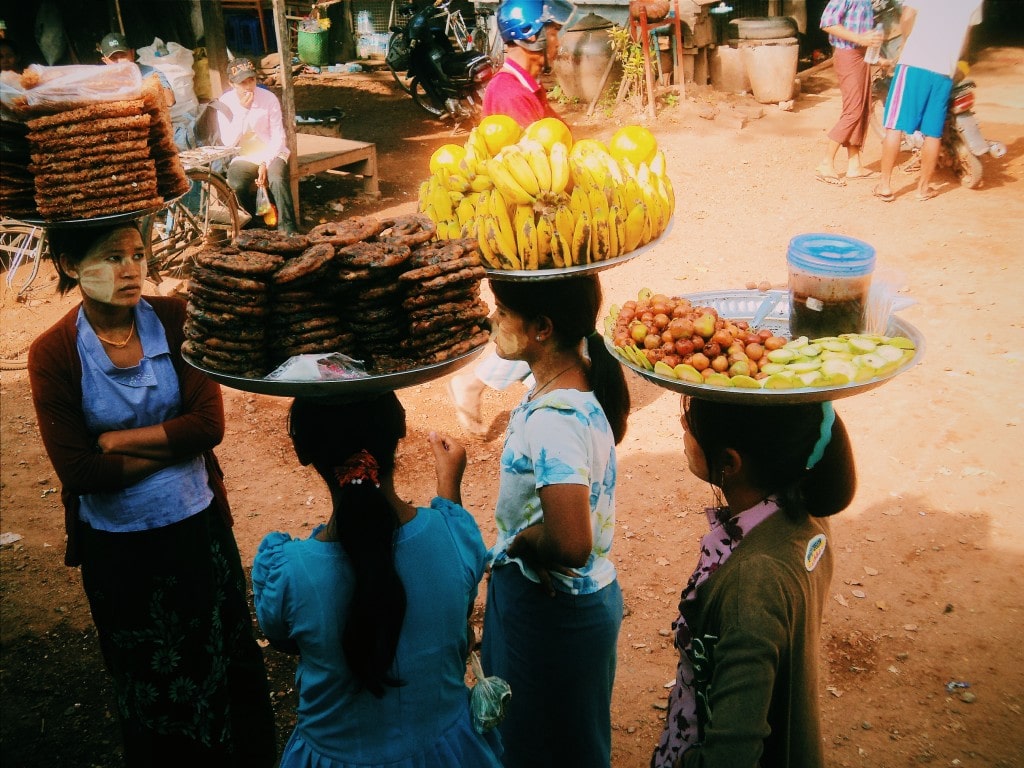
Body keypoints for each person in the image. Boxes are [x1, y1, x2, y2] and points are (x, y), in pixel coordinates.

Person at [27, 222, 276, 767]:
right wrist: (170, 444)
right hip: (119, 549)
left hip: (197, 529)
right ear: (71, 265)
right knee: (150, 685)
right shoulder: (52, 353)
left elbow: (208, 426)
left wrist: (117, 441)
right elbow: (79, 472)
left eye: (138, 254)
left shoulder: (175, 318)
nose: (131, 269)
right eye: (112, 258)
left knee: (218, 666)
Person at [251, 394, 503, 768]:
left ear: (302, 450)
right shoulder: (453, 533)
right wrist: (449, 490)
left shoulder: (286, 571)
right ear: (400, 426)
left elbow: (284, 638)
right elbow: (457, 602)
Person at [651, 397, 858, 768]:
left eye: (692, 424)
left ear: (730, 462)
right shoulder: (801, 515)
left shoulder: (754, 581)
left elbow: (730, 756)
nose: (683, 423)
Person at [480, 274, 630, 768]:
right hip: (565, 607)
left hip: (553, 612)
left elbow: (569, 545)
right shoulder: (573, 382)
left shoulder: (554, 417)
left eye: (502, 312)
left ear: (542, 327)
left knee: (542, 747)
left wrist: (523, 542)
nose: (491, 319)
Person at [448, 0, 575, 435]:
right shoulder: (508, 94)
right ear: (532, 36)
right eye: (554, 29)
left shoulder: (529, 87)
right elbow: (529, 166)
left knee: (562, 321)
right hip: (525, 228)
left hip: (542, 221)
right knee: (547, 320)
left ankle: (549, 391)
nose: (560, 38)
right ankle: (474, 381)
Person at [873, 0, 983, 202]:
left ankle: (885, 185)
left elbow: (906, 16)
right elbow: (965, 37)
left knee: (894, 125)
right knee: (933, 132)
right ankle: (922, 189)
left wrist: (906, 43)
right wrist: (959, 62)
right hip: (944, 70)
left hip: (915, 63)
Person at [214, 57, 299, 233]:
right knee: (236, 182)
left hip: (272, 150)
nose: (248, 86)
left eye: (251, 80)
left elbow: (278, 135)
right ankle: (251, 225)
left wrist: (265, 162)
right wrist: (243, 112)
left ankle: (288, 229)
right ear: (232, 83)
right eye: (242, 83)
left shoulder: (268, 98)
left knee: (276, 178)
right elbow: (228, 141)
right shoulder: (225, 102)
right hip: (245, 153)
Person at [815, 0, 885, 185]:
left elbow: (865, 36)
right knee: (853, 110)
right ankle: (826, 163)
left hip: (863, 55)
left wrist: (878, 58)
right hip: (848, 55)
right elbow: (827, 23)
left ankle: (854, 165)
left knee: (863, 109)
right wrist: (860, 39)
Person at [99, 32, 175, 108]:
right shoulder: (101, 82)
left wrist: (142, 85)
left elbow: (169, 101)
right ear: (105, 61)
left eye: (123, 56)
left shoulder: (151, 72)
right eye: (114, 58)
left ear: (132, 53)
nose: (119, 62)